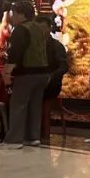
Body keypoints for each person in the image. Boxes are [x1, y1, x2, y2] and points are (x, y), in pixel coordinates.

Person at [0, 1, 51, 149]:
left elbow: (15, 54)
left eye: (14, 13)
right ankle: (32, 137)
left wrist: (7, 72)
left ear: (21, 14)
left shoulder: (20, 30)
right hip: (43, 73)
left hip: (27, 73)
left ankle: (13, 141)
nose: (12, 17)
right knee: (35, 106)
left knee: (18, 106)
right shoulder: (38, 28)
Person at [36, 15, 69, 143]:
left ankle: (42, 135)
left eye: (43, 28)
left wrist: (51, 76)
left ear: (49, 28)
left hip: (51, 85)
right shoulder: (34, 46)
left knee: (37, 95)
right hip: (37, 82)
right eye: (38, 29)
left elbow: (64, 67)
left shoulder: (57, 46)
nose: (41, 31)